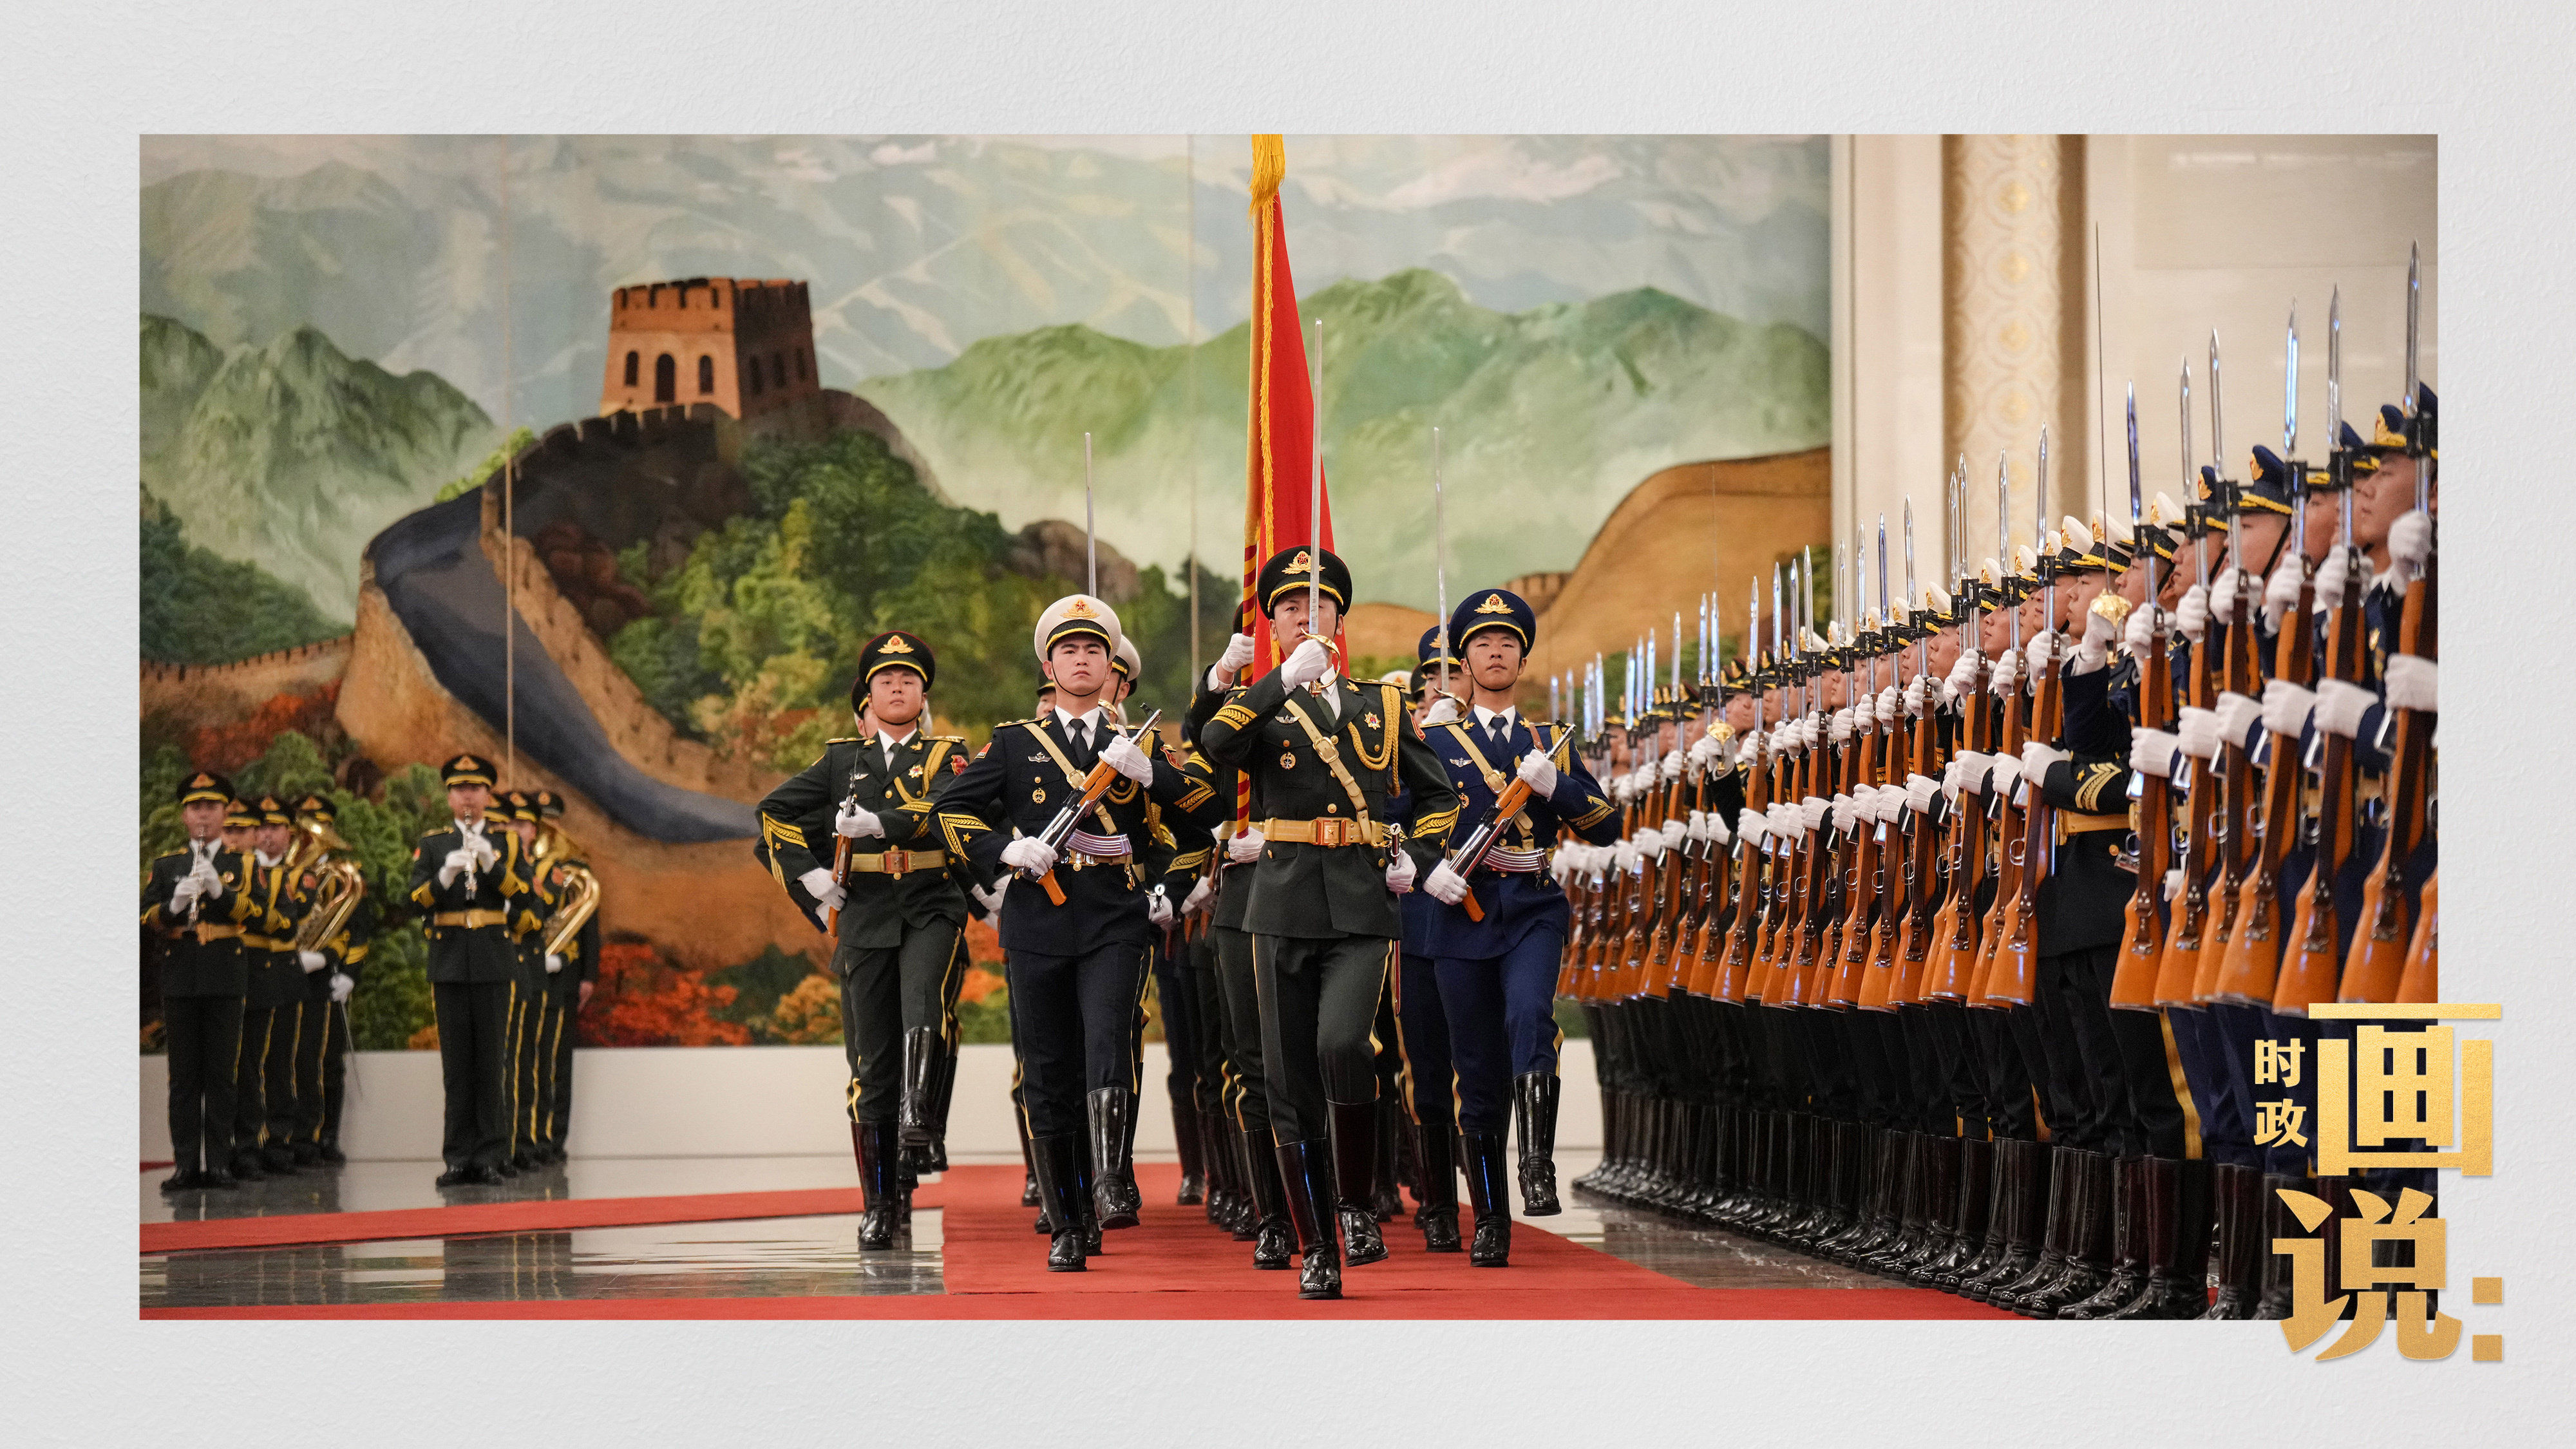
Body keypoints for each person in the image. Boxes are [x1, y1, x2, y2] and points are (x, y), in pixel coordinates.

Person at [1198, 546, 1461, 1299]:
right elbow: (1216, 744)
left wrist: (1415, 854)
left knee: (1344, 1044)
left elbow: (1438, 795)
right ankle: (1316, 1242)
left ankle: (1353, 1206)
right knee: (1287, 1076)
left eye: (1317, 605)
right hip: (1280, 901)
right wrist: (1280, 680)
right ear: (1273, 626)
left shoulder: (1382, 705)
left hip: (1360, 900)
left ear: (1339, 620)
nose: (1304, 615)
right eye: (1289, 607)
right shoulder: (1261, 704)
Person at [929, 596, 1212, 1271]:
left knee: (1109, 1041)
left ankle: (1111, 1181)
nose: (1082, 661)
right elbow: (947, 811)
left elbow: (1204, 818)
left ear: (1112, 667)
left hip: (1116, 915)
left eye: (1093, 651)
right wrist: (1006, 850)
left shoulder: (1142, 745)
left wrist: (1152, 781)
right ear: (1049, 667)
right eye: (1068, 651)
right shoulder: (1014, 743)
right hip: (1038, 918)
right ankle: (1067, 1218)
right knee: (1048, 1070)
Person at [1418, 588, 1622, 1264]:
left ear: (1523, 659)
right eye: (1482, 644)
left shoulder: (1545, 744)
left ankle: (1536, 1164)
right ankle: (1490, 1216)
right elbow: (1394, 819)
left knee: (1530, 1016)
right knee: (1475, 1070)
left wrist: (1556, 786)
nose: (1496, 652)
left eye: (1507, 643)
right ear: (1464, 662)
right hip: (1460, 913)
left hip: (1532, 905)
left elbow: (1605, 825)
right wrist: (1425, 871)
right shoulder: (1434, 742)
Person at [757, 630, 974, 1249]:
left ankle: (919, 1113)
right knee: (870, 1068)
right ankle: (880, 1202)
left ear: (923, 695)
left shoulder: (947, 754)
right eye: (885, 681)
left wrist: (883, 822)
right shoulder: (839, 762)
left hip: (930, 905)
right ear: (869, 697)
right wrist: (811, 880)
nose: (897, 689)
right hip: (866, 917)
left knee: (924, 1002)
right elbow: (771, 813)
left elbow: (947, 809)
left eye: (908, 680)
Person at [408, 753, 529, 1188]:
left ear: (488, 795)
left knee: (491, 1063)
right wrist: (444, 877)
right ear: (449, 797)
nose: (467, 796)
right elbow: (413, 901)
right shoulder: (434, 844)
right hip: (449, 961)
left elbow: (528, 898)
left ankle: (491, 1155)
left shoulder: (507, 843)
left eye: (475, 788)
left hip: (493, 960)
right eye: (459, 789)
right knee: (457, 1067)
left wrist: (493, 867)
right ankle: (458, 1157)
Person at [142, 770, 255, 1191]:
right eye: (195, 808)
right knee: (183, 1078)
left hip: (225, 973)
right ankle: (186, 1164)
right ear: (184, 816)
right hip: (180, 975)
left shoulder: (243, 864)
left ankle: (220, 1163)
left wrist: (221, 892)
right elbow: (145, 916)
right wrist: (173, 905)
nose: (203, 815)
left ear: (225, 813)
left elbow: (261, 915)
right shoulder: (167, 865)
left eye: (211, 807)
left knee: (222, 1075)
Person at [287, 793, 372, 1166]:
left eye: (318, 828)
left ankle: (327, 1137)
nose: (310, 838)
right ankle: (289, 1136)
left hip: (327, 979)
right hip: (286, 975)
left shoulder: (345, 877)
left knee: (327, 1061)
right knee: (286, 1060)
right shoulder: (285, 875)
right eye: (305, 828)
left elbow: (360, 931)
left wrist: (350, 976)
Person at [238, 795, 310, 1179]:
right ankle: (245, 1142)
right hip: (242, 968)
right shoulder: (238, 870)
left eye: (275, 828)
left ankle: (279, 1140)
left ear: (289, 833)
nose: (267, 835)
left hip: (282, 972)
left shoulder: (294, 876)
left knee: (280, 1061)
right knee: (245, 1063)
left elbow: (296, 914)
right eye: (261, 828)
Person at [529, 790, 598, 1165]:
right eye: (542, 821)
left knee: (558, 1060)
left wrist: (589, 975)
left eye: (552, 821)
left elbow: (589, 927)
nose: (548, 829)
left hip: (565, 972)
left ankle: (555, 1138)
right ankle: (529, 1136)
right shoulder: (522, 866)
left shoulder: (575, 871)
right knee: (529, 1055)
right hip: (528, 968)